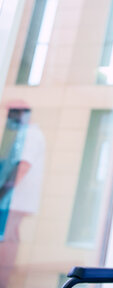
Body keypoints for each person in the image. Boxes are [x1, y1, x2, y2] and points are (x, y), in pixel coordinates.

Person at [0, 103, 45, 287]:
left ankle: (3, 278)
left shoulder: (31, 135)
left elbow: (22, 167)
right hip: (15, 198)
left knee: (8, 235)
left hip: (16, 199)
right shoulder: (26, 134)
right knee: (11, 234)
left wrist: (2, 194)